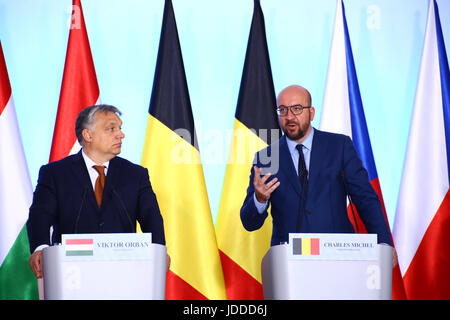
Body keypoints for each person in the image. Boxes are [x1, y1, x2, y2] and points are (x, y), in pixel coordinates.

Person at [240, 85, 393, 247]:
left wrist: (384, 244)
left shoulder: (339, 146)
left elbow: (365, 199)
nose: (289, 116)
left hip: (337, 254)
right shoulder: (267, 157)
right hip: (289, 262)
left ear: (311, 113)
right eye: (283, 110)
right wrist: (259, 199)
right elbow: (249, 223)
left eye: (296, 108)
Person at [27, 104, 166, 278]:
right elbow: (40, 216)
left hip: (124, 271)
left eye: (120, 128)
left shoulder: (135, 174)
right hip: (71, 272)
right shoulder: (55, 173)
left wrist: (159, 250)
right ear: (88, 135)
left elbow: (151, 217)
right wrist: (40, 249)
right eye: (111, 129)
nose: (121, 134)